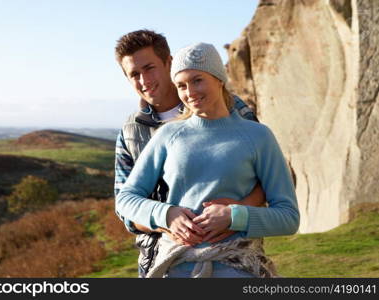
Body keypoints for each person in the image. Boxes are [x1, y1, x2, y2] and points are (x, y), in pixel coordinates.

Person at [115, 42, 300, 278]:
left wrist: (234, 216)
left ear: (219, 78)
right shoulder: (169, 134)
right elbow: (125, 199)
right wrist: (168, 215)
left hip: (240, 267)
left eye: (197, 80)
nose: (190, 92)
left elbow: (288, 217)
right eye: (181, 85)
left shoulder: (258, 135)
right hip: (175, 268)